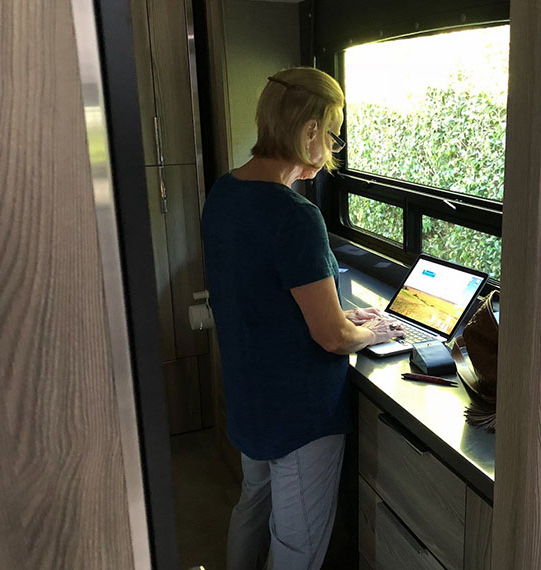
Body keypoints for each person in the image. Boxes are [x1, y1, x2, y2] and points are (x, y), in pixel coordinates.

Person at [201, 67, 403, 570]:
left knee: (253, 504)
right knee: (298, 545)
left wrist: (338, 316)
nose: (332, 146)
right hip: (299, 413)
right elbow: (333, 338)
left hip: (251, 395)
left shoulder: (224, 192)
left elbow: (263, 297)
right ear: (310, 130)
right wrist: (367, 330)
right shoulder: (294, 214)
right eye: (331, 133)